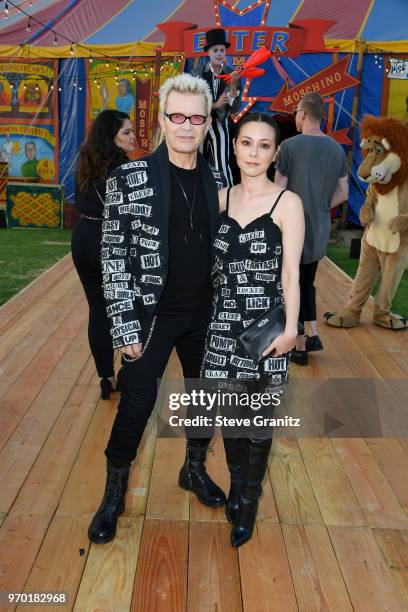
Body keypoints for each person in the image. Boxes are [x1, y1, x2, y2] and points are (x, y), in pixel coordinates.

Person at [88, 73, 227, 545]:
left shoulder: (217, 178)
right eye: (177, 116)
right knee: (136, 407)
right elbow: (113, 257)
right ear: (162, 121)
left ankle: (193, 470)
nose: (186, 126)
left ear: (208, 123)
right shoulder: (130, 177)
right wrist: (123, 326)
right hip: (151, 317)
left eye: (196, 117)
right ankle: (112, 497)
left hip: (205, 313)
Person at [202, 112, 304, 546]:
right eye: (247, 143)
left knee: (259, 421)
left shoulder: (288, 203)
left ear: (275, 152)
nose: (254, 152)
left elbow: (291, 275)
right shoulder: (220, 199)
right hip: (223, 326)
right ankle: (239, 481)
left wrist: (291, 331)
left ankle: (249, 498)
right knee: (230, 417)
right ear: (234, 146)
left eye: (264, 145)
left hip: (267, 330)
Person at [275, 93, 349, 365]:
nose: (295, 117)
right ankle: (308, 338)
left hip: (290, 228)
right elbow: (343, 193)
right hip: (319, 226)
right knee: (306, 282)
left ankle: (300, 345)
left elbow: (279, 190)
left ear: (303, 115)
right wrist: (320, 205)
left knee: (290, 284)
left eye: (296, 113)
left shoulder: (289, 147)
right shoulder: (336, 149)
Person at [71, 110, 135, 399]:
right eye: (127, 132)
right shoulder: (123, 168)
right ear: (112, 137)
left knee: (98, 310)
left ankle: (105, 376)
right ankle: (127, 372)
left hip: (84, 238)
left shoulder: (85, 161)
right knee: (125, 309)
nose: (133, 136)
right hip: (111, 242)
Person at [192, 28, 242, 186]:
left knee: (222, 165)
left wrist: (233, 87)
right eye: (216, 50)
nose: (219, 53)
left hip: (220, 123)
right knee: (195, 162)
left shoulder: (232, 73)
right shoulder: (197, 73)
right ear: (208, 52)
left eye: (222, 50)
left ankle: (227, 198)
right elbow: (193, 101)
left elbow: (234, 109)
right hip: (199, 123)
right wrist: (215, 104)